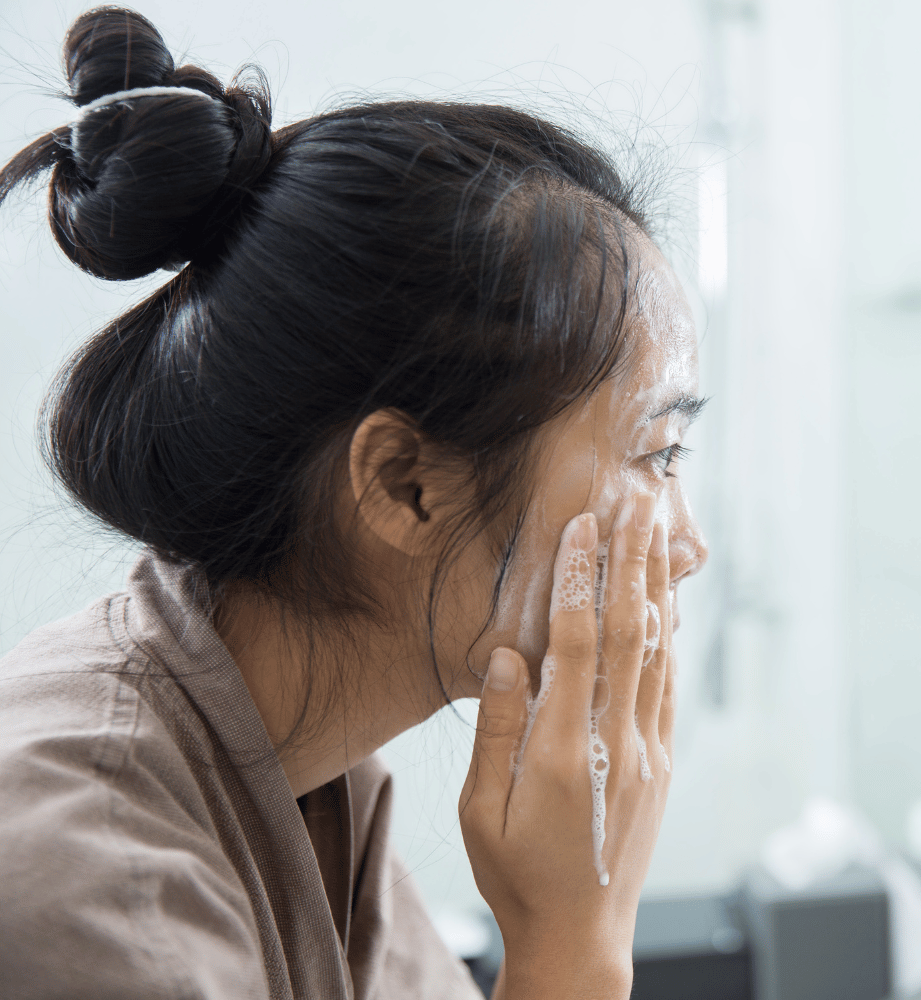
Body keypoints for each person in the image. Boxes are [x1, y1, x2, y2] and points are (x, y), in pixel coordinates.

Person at [0, 7, 707, 999]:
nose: (687, 547)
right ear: (402, 485)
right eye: (656, 453)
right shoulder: (94, 885)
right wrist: (569, 946)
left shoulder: (314, 777)